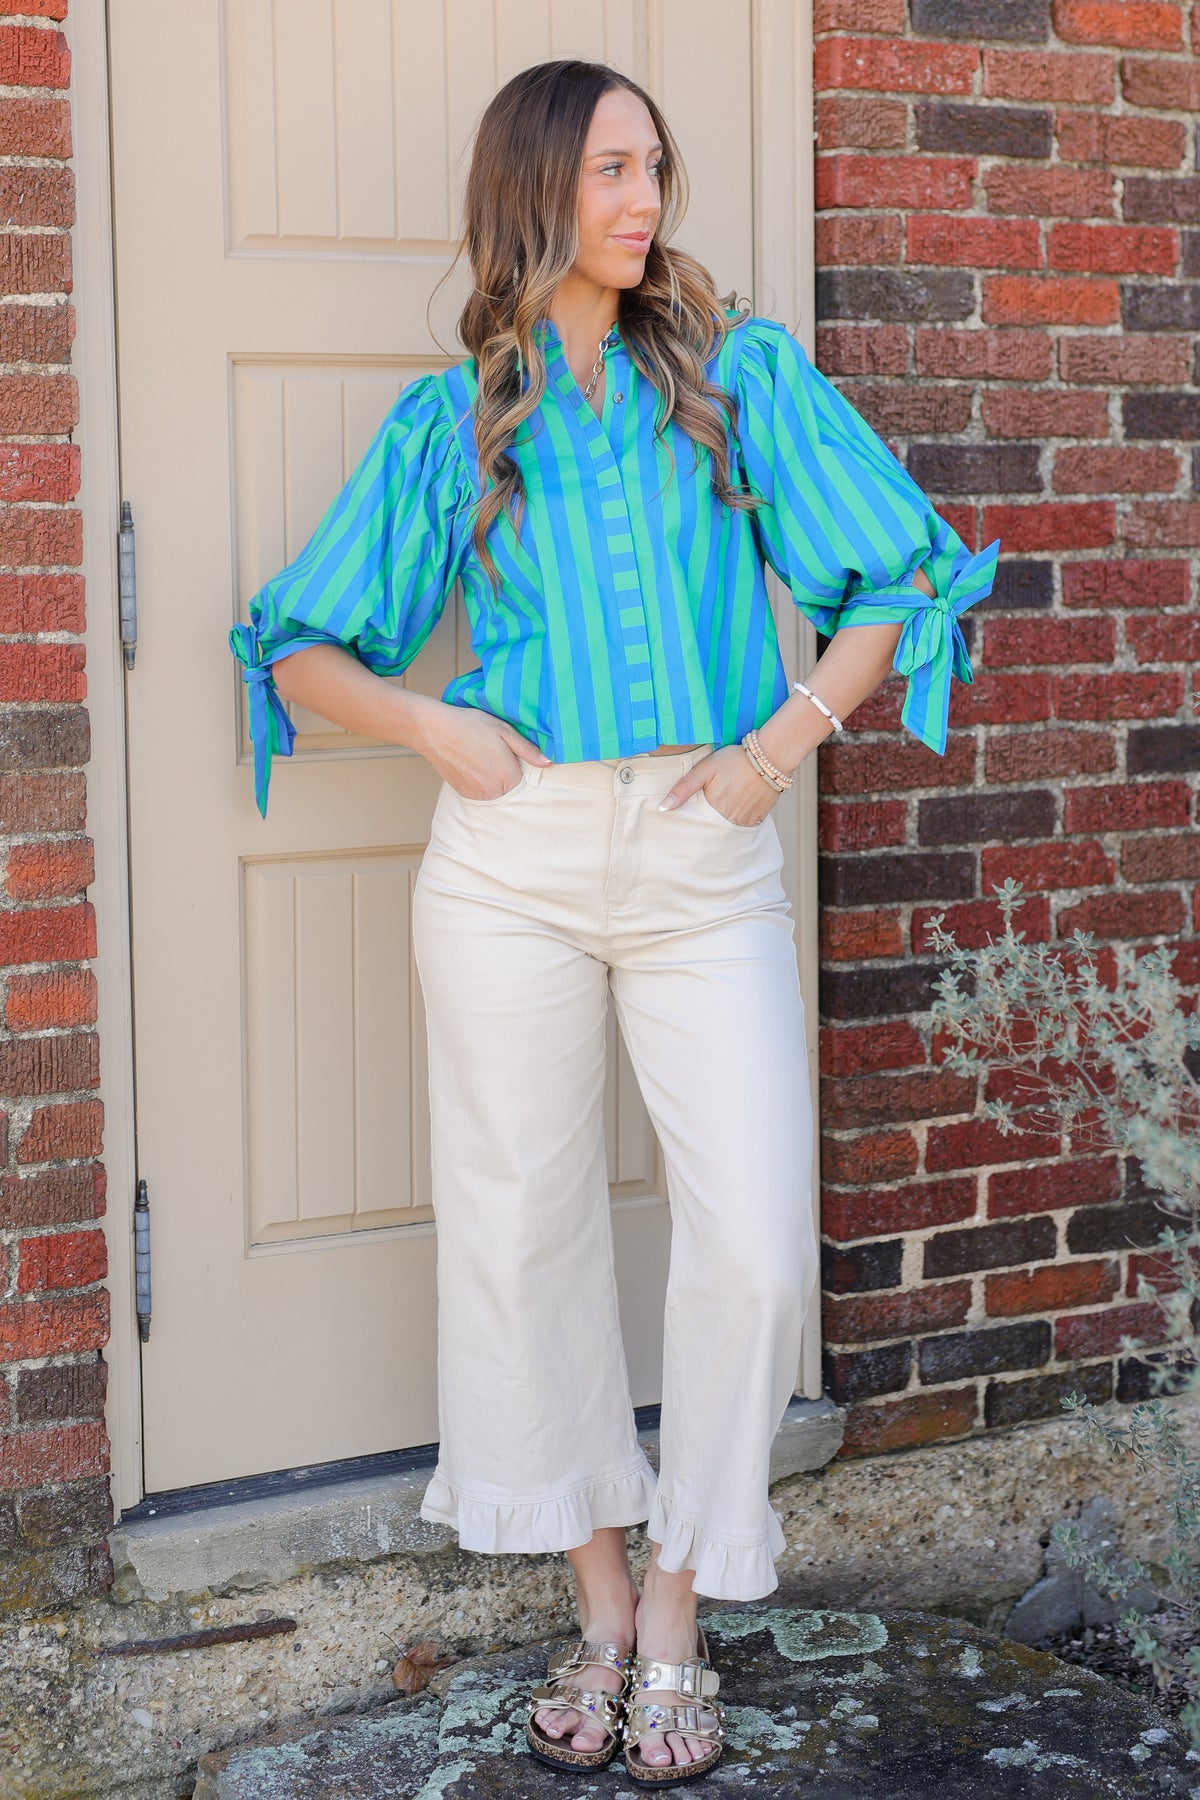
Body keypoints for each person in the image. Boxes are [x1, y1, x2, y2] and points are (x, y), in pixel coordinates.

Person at [229, 57, 998, 1786]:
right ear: (534, 195)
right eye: (607, 173)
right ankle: (596, 1598)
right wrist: (434, 726)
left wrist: (779, 749)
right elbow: (294, 643)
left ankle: (680, 1600)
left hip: (699, 843)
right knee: (523, 1229)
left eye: (655, 167)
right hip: (507, 861)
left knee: (751, 1234)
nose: (644, 202)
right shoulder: (457, 424)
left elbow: (901, 569)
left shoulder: (743, 382)